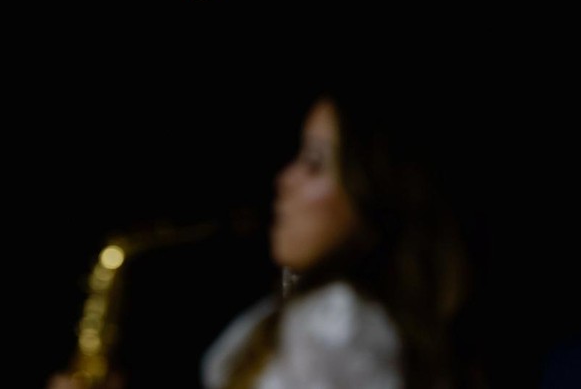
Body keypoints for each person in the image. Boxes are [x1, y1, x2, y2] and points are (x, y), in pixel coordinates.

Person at [200, 88, 485, 389]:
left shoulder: (339, 320)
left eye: (314, 163)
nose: (285, 180)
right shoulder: (305, 311)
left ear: (371, 194)